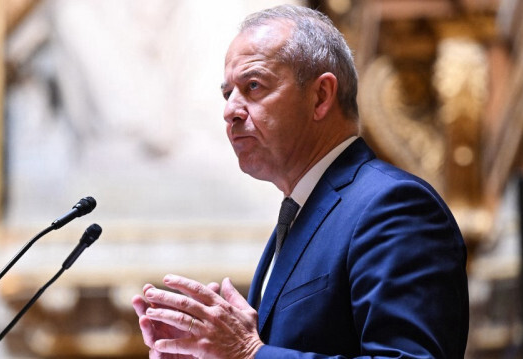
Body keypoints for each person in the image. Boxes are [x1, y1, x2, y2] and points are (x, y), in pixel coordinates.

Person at [132, 4, 468, 359]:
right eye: (227, 93)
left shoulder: (392, 207)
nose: (230, 109)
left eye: (254, 85)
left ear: (321, 96)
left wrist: (247, 354)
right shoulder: (299, 214)